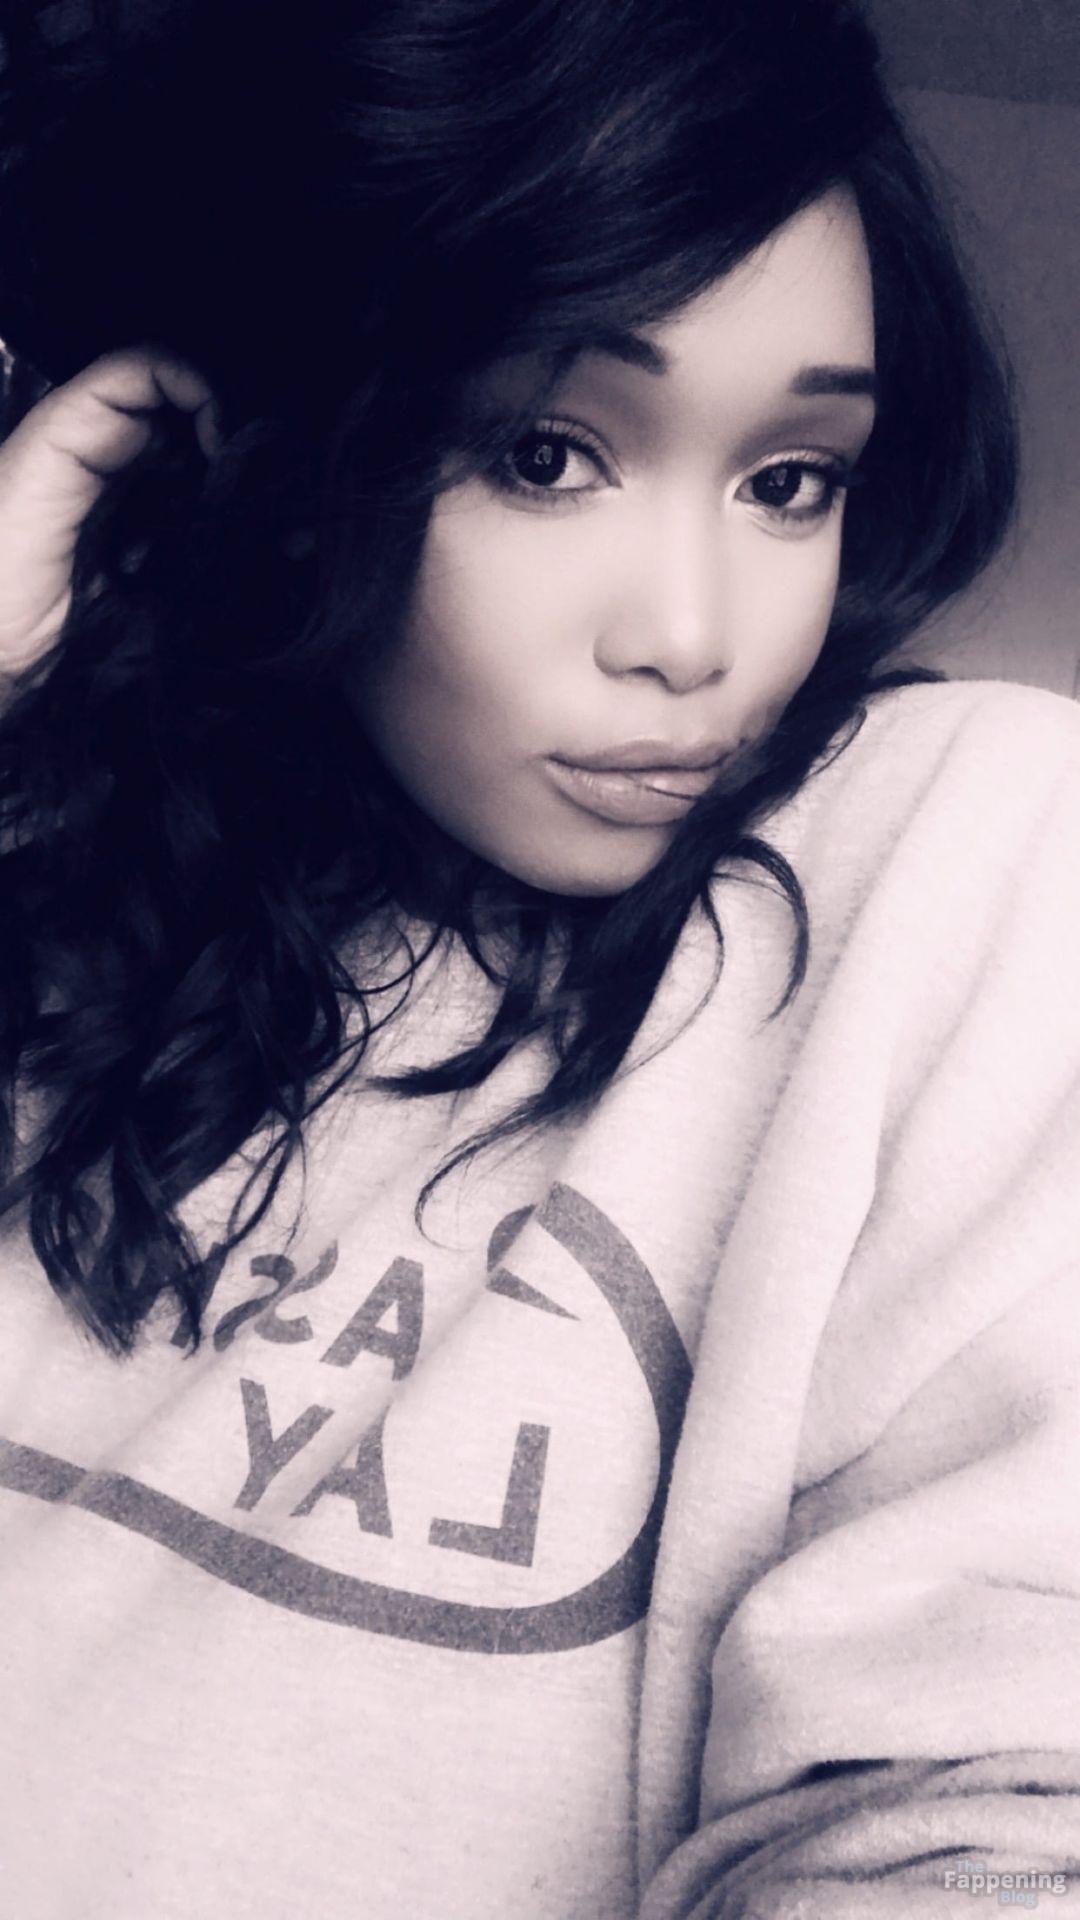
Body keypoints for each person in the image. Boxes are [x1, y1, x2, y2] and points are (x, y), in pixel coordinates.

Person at [0, 0, 1078, 1914]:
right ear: (281, 457)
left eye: (791, 480)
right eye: (547, 453)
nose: (695, 636)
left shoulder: (950, 854)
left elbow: (1002, 1798)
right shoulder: (79, 907)